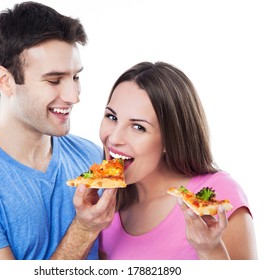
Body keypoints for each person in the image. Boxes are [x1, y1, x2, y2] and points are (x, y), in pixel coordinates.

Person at [0, 1, 116, 260]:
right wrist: (84, 229)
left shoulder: (92, 157)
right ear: (5, 80)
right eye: (53, 80)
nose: (74, 96)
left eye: (75, 77)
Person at [98, 61, 258, 259]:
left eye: (138, 127)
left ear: (169, 138)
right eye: (112, 117)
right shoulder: (103, 208)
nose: (113, 139)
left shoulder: (217, 198)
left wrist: (210, 250)